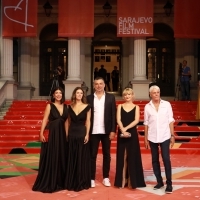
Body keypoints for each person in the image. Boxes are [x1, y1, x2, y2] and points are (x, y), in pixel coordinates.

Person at [32, 87, 68, 193]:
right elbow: (44, 119)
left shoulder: (67, 107)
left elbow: (66, 122)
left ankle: (60, 181)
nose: (58, 95)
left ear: (62, 95)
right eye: (56, 93)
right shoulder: (49, 105)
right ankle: (49, 180)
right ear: (53, 95)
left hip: (61, 135)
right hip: (52, 134)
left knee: (61, 156)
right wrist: (41, 133)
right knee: (52, 156)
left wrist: (66, 136)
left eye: (60, 93)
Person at [144, 85, 175, 194]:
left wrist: (172, 135)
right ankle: (159, 182)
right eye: (154, 93)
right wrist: (145, 138)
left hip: (165, 136)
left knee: (166, 159)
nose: (156, 94)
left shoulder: (166, 104)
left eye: (158, 92)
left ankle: (169, 184)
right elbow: (146, 123)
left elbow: (171, 120)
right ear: (150, 94)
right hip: (152, 136)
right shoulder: (147, 107)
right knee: (155, 160)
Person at [87, 77, 116, 188]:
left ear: (104, 85)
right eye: (96, 84)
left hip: (106, 131)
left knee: (107, 155)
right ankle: (91, 178)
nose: (98, 86)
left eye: (101, 83)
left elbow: (113, 115)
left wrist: (113, 130)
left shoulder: (110, 97)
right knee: (92, 155)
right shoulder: (89, 98)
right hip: (93, 131)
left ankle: (106, 177)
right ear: (94, 85)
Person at [114, 88, 146, 189]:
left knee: (132, 156)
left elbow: (136, 120)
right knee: (122, 156)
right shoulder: (120, 106)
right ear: (123, 96)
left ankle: (133, 182)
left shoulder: (136, 107)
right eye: (125, 95)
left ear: (132, 95)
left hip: (132, 132)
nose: (127, 96)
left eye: (129, 94)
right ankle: (121, 181)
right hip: (122, 131)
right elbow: (118, 119)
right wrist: (122, 130)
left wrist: (126, 128)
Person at [65, 87, 91, 191]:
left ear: (83, 95)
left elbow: (88, 121)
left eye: (81, 93)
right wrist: (67, 134)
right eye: (77, 93)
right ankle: (71, 181)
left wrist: (87, 134)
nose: (79, 94)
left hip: (81, 133)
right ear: (74, 94)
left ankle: (81, 180)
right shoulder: (69, 107)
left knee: (81, 157)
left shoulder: (87, 106)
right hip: (72, 133)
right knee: (72, 156)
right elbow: (67, 122)